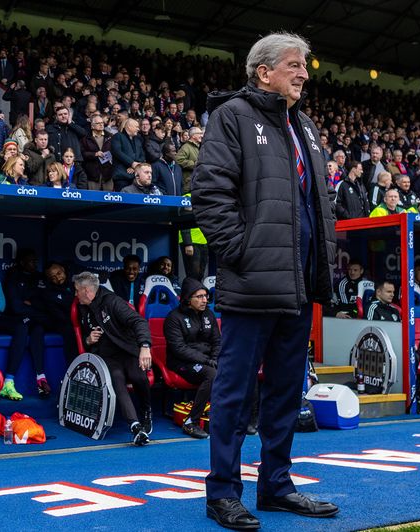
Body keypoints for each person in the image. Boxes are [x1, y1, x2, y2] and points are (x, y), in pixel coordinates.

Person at [192, 33, 339, 528]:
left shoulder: (306, 126)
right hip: (252, 284)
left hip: (299, 286)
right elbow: (209, 194)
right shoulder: (232, 116)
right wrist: (242, 253)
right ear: (264, 71)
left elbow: (317, 205)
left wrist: (322, 264)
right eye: (294, 65)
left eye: (305, 65)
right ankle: (222, 493)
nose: (304, 73)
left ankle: (276, 486)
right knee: (234, 394)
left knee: (285, 393)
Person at [73, 271, 153, 446]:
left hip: (127, 351)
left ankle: (146, 412)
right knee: (116, 378)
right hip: (106, 356)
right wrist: (88, 340)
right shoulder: (82, 308)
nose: (75, 294)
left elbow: (139, 322)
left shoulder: (112, 301)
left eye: (77, 290)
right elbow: (81, 338)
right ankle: (135, 426)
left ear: (86, 290)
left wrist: (145, 346)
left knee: (138, 376)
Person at [163, 278, 219, 439]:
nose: (204, 300)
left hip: (207, 360)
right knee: (212, 374)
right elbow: (179, 349)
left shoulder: (208, 314)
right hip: (182, 363)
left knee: (239, 367)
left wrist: (215, 358)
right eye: (199, 296)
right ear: (188, 299)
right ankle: (191, 422)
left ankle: (245, 418)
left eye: (205, 296)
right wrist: (207, 361)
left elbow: (217, 341)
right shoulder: (174, 318)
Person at [0, 249, 50, 398]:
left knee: (38, 328)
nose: (35, 264)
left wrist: (32, 304)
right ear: (22, 262)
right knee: (23, 327)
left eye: (35, 261)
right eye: (31, 261)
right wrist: (34, 306)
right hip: (15, 319)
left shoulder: (40, 277)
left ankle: (40, 377)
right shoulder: (13, 277)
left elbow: (46, 303)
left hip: (35, 319)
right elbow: (16, 307)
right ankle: (9, 380)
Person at [111, 117, 146, 190]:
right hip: (121, 176)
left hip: (135, 177)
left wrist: (135, 166)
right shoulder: (118, 136)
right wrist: (131, 163)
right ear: (129, 126)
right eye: (136, 127)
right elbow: (117, 152)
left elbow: (142, 156)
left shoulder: (138, 140)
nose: (138, 129)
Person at [80, 114, 113, 190]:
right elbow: (82, 153)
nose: (101, 124)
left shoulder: (110, 137)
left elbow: (114, 152)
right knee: (93, 196)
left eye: (102, 122)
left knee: (108, 196)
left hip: (107, 174)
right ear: (92, 126)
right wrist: (94, 154)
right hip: (92, 174)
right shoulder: (85, 139)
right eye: (98, 123)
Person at [176, 126, 202, 193]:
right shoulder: (186, 147)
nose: (202, 136)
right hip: (188, 185)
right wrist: (194, 164)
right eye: (199, 133)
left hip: (196, 183)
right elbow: (178, 160)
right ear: (193, 136)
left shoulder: (197, 147)